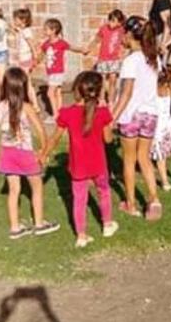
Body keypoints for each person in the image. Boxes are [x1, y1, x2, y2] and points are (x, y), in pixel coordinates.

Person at [0, 67, 60, 239]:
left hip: (7, 153)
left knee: (14, 190)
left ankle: (15, 228)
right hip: (26, 153)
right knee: (36, 187)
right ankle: (39, 223)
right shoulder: (27, 107)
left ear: (4, 86)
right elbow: (41, 131)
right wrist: (43, 152)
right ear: (23, 87)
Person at [42, 71, 118, 247]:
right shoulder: (103, 112)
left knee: (79, 199)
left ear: (77, 89)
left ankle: (81, 236)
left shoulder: (67, 113)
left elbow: (54, 138)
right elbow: (108, 139)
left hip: (78, 165)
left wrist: (44, 154)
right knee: (104, 192)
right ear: (99, 91)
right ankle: (107, 225)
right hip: (99, 163)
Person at [109, 16, 162, 220]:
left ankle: (130, 204)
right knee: (145, 159)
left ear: (130, 35)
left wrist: (113, 117)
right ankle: (154, 197)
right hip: (150, 114)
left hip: (131, 115)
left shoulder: (130, 61)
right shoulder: (153, 58)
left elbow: (126, 93)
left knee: (129, 161)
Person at [34, 18, 88, 123]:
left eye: (46, 29)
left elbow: (72, 48)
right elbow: (41, 55)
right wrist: (36, 62)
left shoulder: (61, 43)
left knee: (50, 93)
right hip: (50, 72)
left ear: (54, 30)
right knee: (57, 92)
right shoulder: (46, 44)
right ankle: (60, 113)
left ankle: (55, 116)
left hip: (58, 72)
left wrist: (82, 50)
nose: (44, 31)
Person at [84, 9, 126, 103]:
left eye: (114, 21)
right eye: (111, 20)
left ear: (119, 22)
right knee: (102, 81)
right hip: (103, 58)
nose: (111, 23)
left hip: (114, 59)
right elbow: (96, 40)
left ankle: (111, 101)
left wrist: (124, 52)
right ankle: (101, 100)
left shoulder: (121, 30)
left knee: (113, 80)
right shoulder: (104, 28)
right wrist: (89, 48)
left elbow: (125, 42)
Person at [9, 8, 40, 112]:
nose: (14, 21)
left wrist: (35, 57)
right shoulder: (21, 31)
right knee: (24, 82)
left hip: (26, 59)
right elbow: (16, 32)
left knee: (27, 82)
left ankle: (35, 105)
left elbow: (31, 45)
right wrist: (12, 28)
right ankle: (27, 102)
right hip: (21, 59)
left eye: (16, 19)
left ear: (23, 20)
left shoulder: (26, 32)